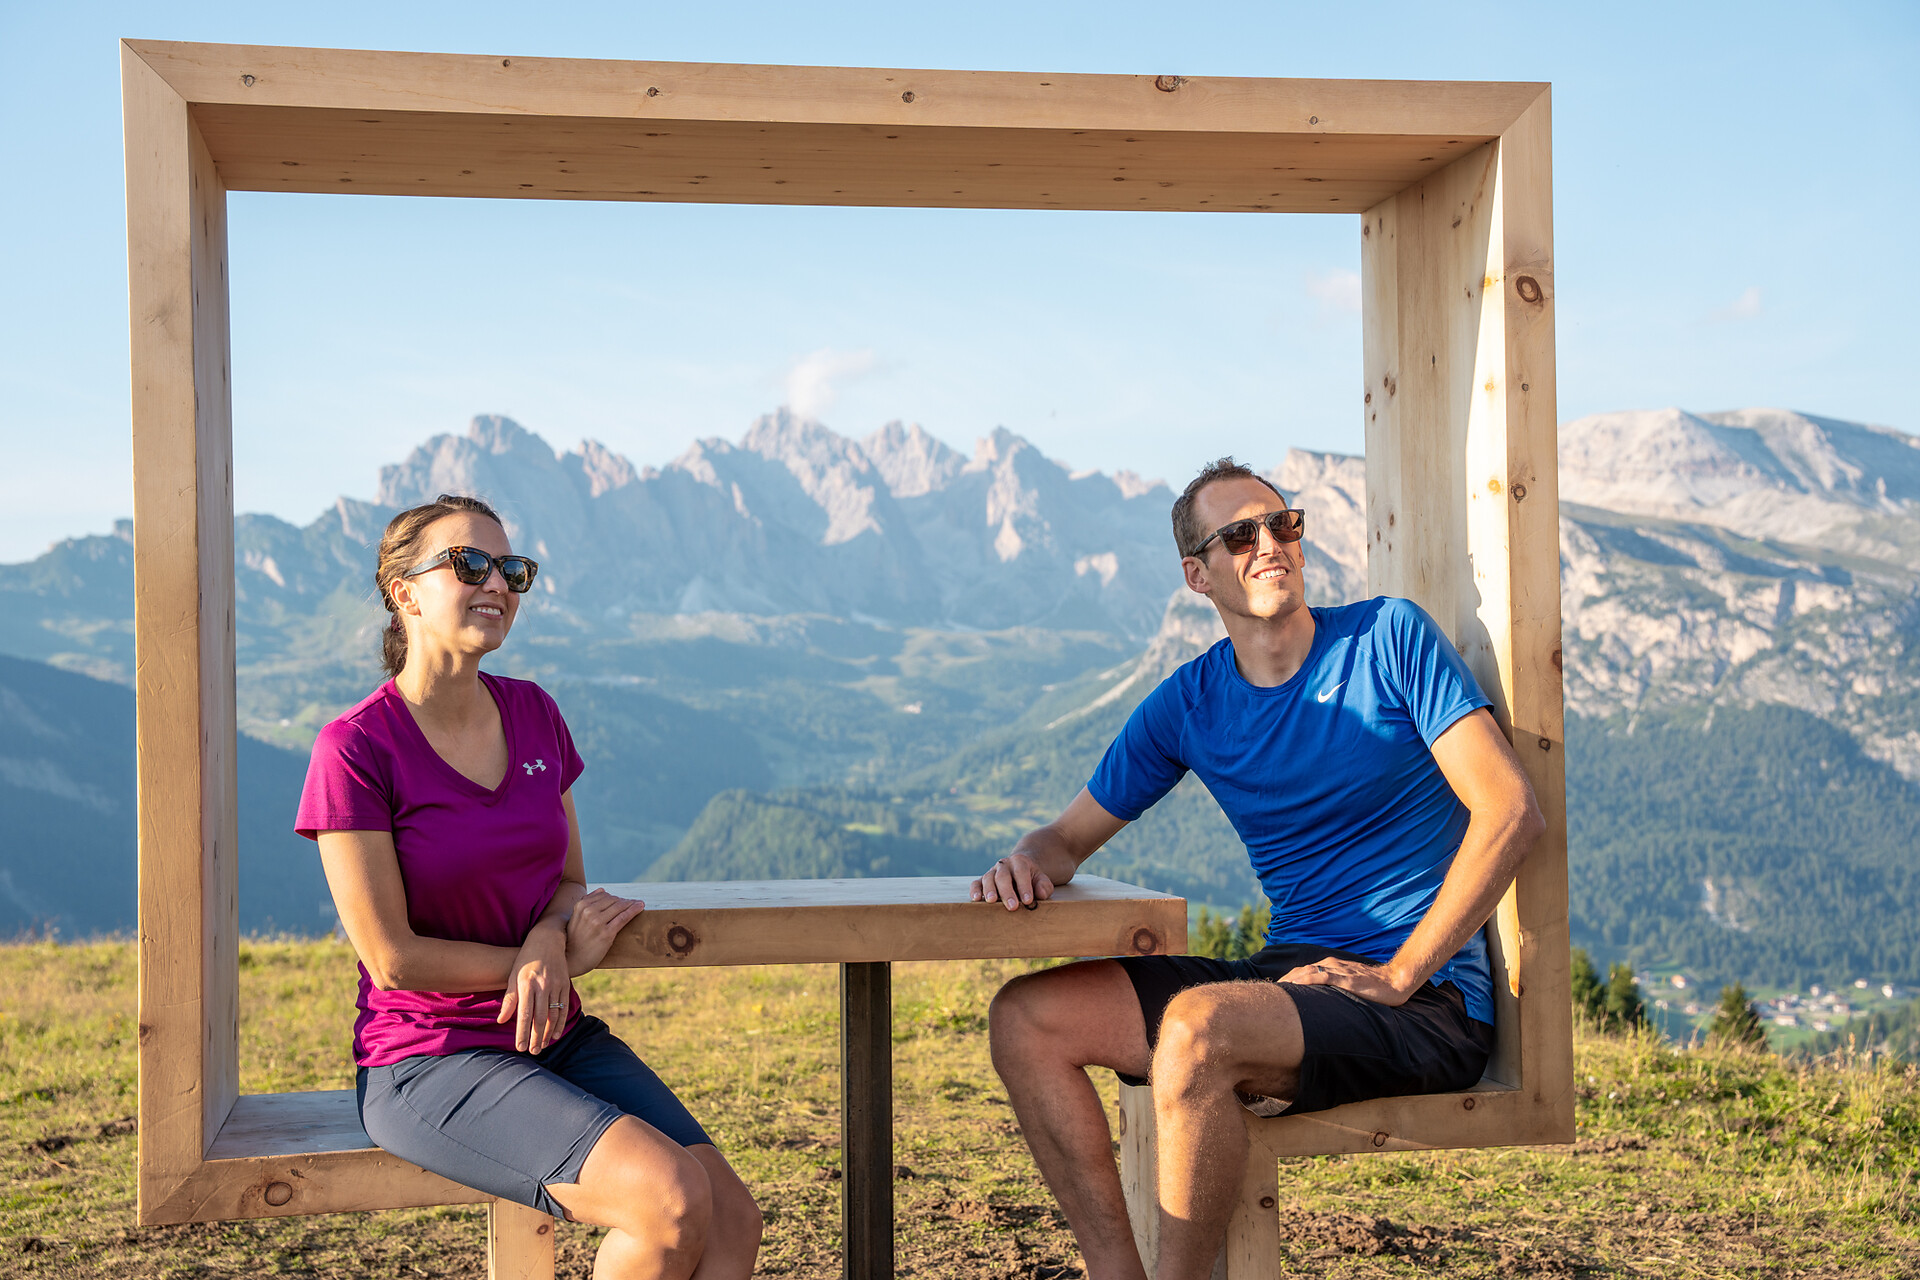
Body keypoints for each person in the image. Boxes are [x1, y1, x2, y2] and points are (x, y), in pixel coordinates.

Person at [972, 459, 1544, 1280]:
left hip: (1425, 1001)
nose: (1269, 544)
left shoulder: (1389, 637)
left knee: (1199, 1031)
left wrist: (1397, 975)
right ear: (1198, 575)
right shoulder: (1190, 703)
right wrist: (1025, 861)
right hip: (1293, 978)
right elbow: (1065, 839)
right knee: (1027, 1020)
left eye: (1284, 525)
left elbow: (1511, 811)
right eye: (1239, 535)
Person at [296, 493, 761, 1280]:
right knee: (673, 1200)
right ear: (404, 592)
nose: (499, 584)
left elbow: (569, 883)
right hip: (430, 1057)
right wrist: (533, 963)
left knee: (733, 1218)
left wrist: (548, 941)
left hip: (550, 1033)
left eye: (512, 569)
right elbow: (394, 960)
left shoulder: (535, 713)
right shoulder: (355, 748)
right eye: (470, 563)